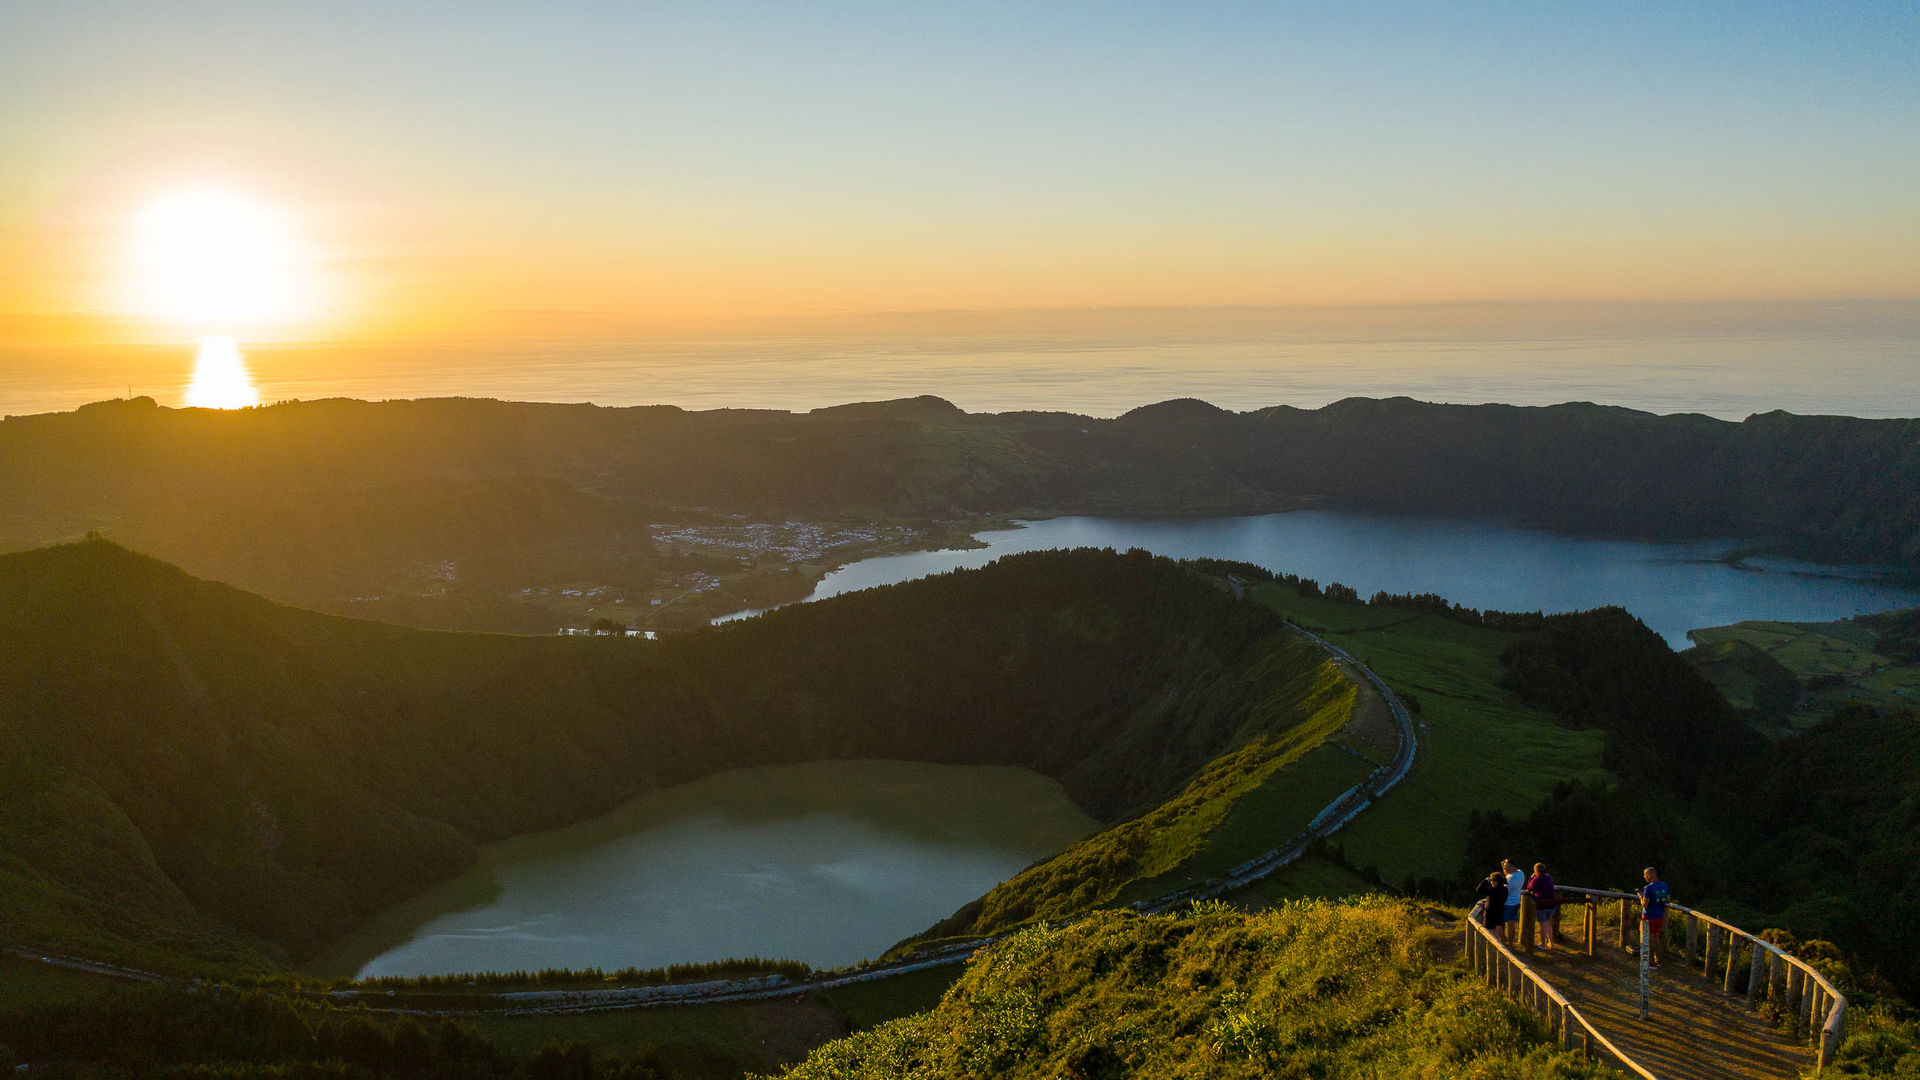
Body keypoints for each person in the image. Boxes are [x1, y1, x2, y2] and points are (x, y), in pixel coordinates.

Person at [1637, 866, 1670, 968]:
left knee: (1648, 939)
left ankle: (1650, 962)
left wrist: (1640, 897)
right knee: (1655, 938)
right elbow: (1668, 900)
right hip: (1659, 916)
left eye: (1645, 875)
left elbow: (1645, 905)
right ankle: (1657, 961)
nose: (1644, 877)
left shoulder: (1648, 888)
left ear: (1651, 875)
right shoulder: (1664, 885)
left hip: (1648, 917)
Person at [1526, 862, 1558, 949]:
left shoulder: (1536, 880)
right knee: (1548, 923)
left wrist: (1531, 878)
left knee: (1542, 925)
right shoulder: (1549, 877)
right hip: (1551, 904)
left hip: (1542, 905)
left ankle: (1543, 944)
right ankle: (1551, 943)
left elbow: (1529, 887)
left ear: (1536, 871)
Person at [1502, 859, 1526, 943]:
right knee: (1511, 923)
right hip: (1516, 902)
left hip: (1507, 903)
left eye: (1506, 867)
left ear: (1512, 867)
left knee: (1501, 923)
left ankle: (1502, 941)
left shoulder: (1510, 878)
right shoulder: (1521, 873)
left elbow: (1504, 891)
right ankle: (1511, 943)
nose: (1505, 868)